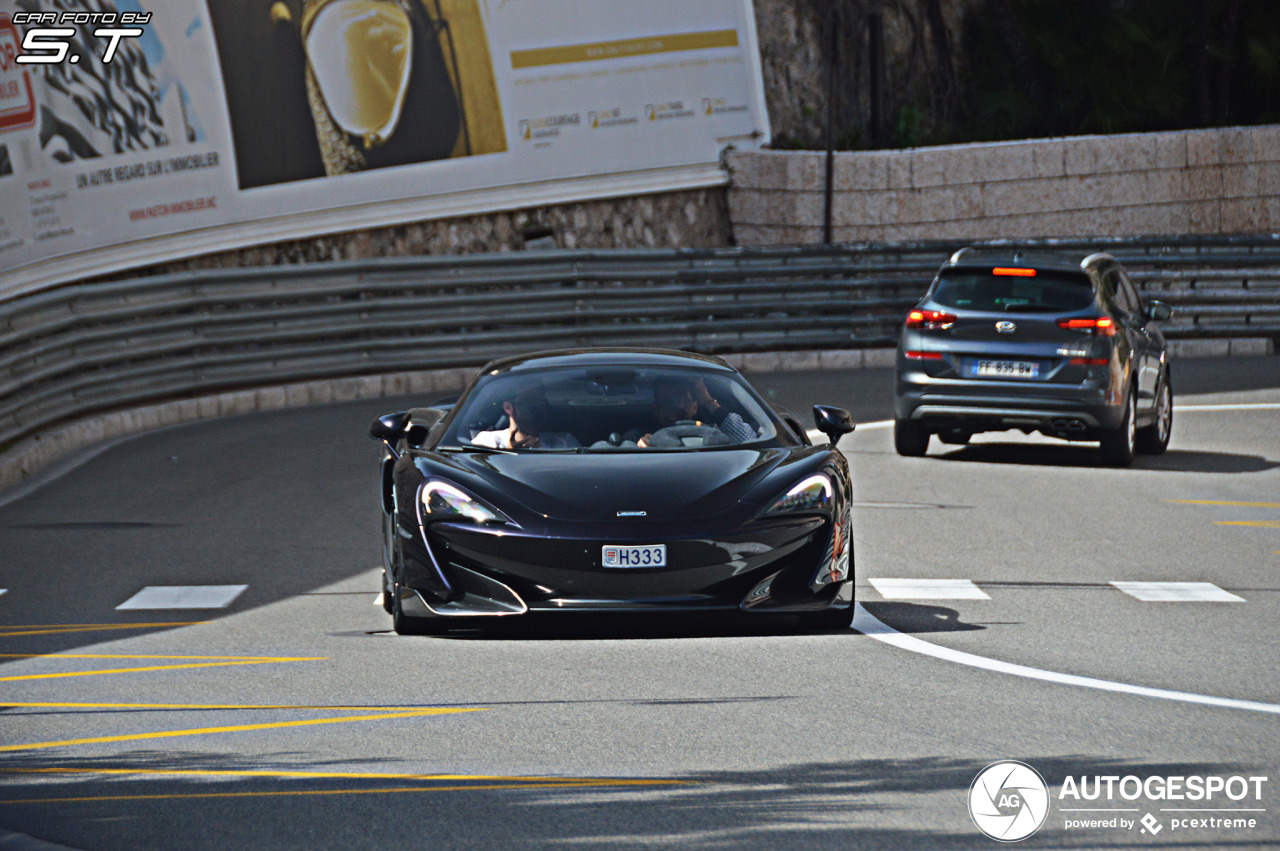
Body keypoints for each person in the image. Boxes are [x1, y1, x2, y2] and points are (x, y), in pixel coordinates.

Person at [623, 377, 756, 447]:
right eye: (667, 402)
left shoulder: (715, 435)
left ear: (695, 407)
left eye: (681, 400)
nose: (675, 407)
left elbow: (747, 439)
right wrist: (640, 450)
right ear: (656, 409)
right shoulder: (637, 435)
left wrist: (708, 401)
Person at [470, 380, 579, 450]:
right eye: (527, 402)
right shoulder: (488, 442)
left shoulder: (564, 443)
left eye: (540, 401)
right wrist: (509, 453)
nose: (535, 407)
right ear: (508, 407)